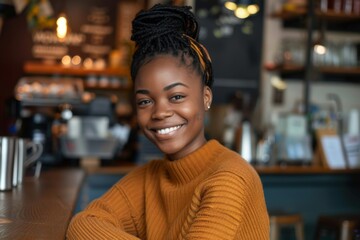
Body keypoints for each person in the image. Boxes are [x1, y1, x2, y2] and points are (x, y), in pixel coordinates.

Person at [67, 4, 269, 239]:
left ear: (205, 97)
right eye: (145, 101)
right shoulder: (151, 176)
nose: (160, 112)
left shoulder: (231, 178)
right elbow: (83, 224)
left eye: (176, 96)